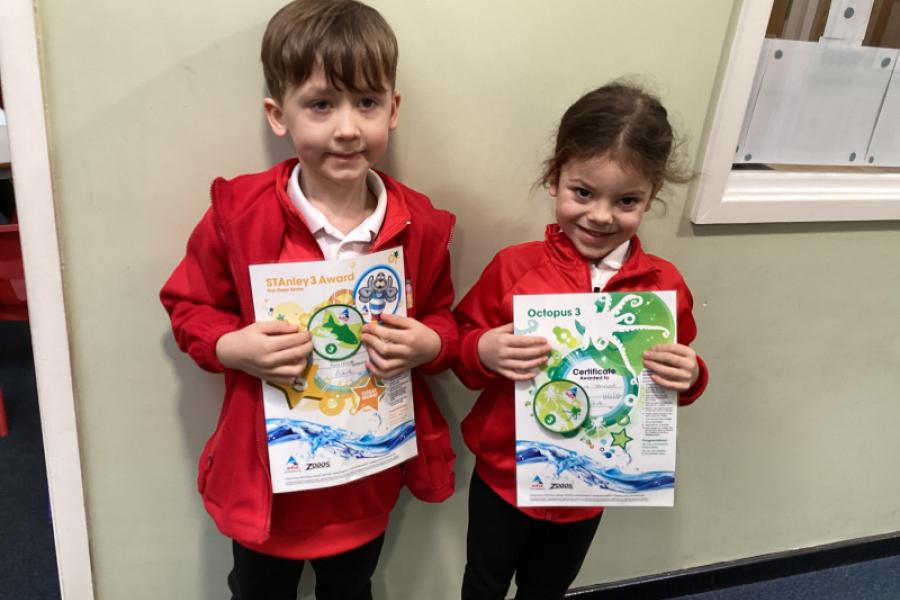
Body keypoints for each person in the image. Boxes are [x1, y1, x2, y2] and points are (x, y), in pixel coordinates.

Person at [160, 1, 457, 598]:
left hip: (365, 476)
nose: (347, 128)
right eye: (321, 104)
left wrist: (430, 343)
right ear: (279, 115)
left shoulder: (419, 225)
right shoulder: (238, 215)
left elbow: (442, 318)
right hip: (268, 482)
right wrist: (230, 345)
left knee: (350, 588)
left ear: (393, 109)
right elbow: (187, 305)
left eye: (366, 102)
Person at [453, 82, 710, 600]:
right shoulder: (514, 268)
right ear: (555, 178)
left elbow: (675, 373)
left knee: (549, 587)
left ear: (652, 196)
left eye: (627, 200)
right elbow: (461, 348)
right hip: (506, 476)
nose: (601, 216)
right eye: (584, 192)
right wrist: (482, 350)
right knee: (483, 581)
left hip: (591, 483)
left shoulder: (662, 287)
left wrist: (691, 376)